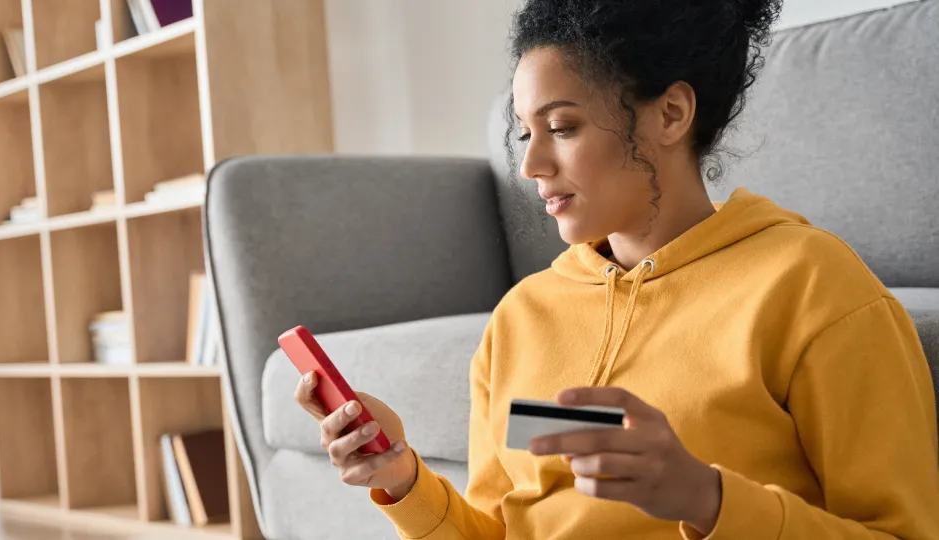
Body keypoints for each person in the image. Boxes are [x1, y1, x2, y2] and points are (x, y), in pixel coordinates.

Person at [295, 0, 939, 538]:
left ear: (671, 114)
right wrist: (402, 479)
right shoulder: (522, 317)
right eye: (526, 133)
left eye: (563, 127)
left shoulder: (813, 286)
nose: (531, 165)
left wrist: (709, 501)